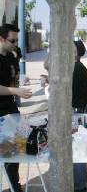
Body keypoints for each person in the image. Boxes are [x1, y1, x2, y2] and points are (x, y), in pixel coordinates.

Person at [0, 23, 32, 192]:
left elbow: (13, 78)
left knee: (22, 140)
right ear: (1, 38)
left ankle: (15, 184)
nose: (15, 44)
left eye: (17, 40)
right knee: (8, 151)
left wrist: (23, 79)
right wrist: (16, 90)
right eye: (12, 40)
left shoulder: (12, 55)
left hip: (10, 107)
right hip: (2, 112)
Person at [72, 40, 87, 192]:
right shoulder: (78, 67)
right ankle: (79, 185)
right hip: (78, 111)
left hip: (75, 113)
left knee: (77, 150)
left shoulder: (75, 68)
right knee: (77, 149)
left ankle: (79, 186)